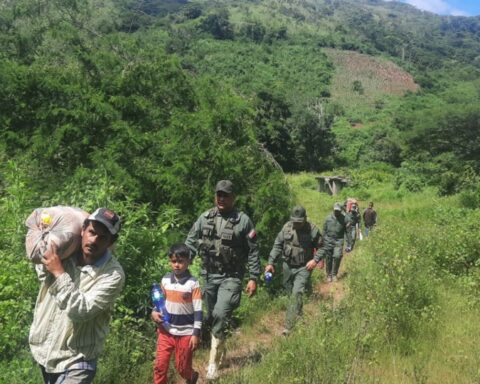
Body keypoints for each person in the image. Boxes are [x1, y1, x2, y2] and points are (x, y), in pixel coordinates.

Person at [29, 208, 125, 384]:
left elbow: (81, 310)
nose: (94, 240)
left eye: (102, 237)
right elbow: (42, 274)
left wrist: (59, 273)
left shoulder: (112, 275)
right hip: (46, 354)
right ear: (82, 230)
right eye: (92, 232)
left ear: (112, 241)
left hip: (77, 361)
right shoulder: (66, 253)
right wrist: (46, 238)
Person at [185, 180, 260, 380]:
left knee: (219, 313)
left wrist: (253, 277)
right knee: (212, 317)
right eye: (219, 194)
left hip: (232, 277)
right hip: (209, 275)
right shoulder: (205, 217)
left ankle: (212, 366)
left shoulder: (243, 221)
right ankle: (221, 349)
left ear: (233, 197)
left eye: (226, 195)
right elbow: (191, 243)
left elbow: (253, 251)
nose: (221, 198)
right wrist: (182, 266)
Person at [265, 205, 322, 335]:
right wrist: (270, 263)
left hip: (303, 267)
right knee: (290, 292)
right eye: (294, 221)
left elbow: (323, 247)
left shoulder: (312, 230)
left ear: (305, 219)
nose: (296, 224)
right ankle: (299, 313)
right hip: (287, 266)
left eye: (299, 222)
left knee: (296, 293)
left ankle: (288, 327)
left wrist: (315, 260)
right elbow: (277, 245)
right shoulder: (286, 227)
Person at [152, 243, 201, 384]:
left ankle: (191, 376)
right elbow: (158, 302)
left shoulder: (193, 284)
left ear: (188, 262)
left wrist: (195, 334)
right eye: (174, 261)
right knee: (160, 366)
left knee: (182, 367)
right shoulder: (165, 280)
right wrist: (154, 313)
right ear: (170, 262)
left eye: (180, 261)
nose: (177, 265)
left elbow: (198, 311)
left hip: (186, 333)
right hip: (165, 331)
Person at [314, 203, 352, 282]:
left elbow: (348, 232)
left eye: (338, 211)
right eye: (335, 210)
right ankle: (329, 275)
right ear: (333, 209)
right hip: (328, 240)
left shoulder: (345, 219)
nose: (336, 212)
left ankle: (334, 274)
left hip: (338, 240)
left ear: (341, 210)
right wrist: (322, 240)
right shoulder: (328, 218)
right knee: (328, 258)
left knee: (337, 256)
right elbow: (324, 230)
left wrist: (349, 243)